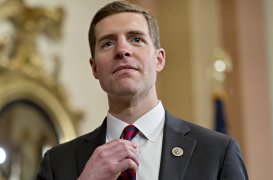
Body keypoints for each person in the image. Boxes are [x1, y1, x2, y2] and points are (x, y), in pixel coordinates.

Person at [36, 1, 248, 180]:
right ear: (94, 68)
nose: (122, 50)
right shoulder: (57, 162)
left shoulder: (216, 152)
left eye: (136, 39)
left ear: (159, 59)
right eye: (108, 43)